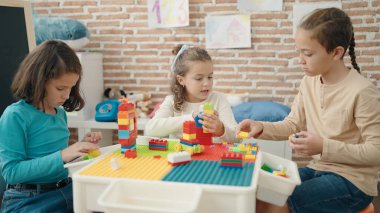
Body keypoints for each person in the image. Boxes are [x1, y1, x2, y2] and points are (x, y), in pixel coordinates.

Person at [236, 7, 380, 213]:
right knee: (260, 191)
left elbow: (376, 152)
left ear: (336, 52)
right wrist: (260, 127)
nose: (300, 60)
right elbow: (293, 124)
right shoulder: (309, 82)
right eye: (299, 51)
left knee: (278, 203)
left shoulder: (363, 92)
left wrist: (323, 146)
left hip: (353, 182)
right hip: (318, 169)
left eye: (308, 53)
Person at [0, 40, 102, 213]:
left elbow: (55, 158)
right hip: (29, 199)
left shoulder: (59, 113)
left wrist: (79, 149)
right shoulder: (15, 115)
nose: (67, 95)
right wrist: (62, 155)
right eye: (61, 88)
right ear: (39, 80)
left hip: (65, 189)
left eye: (71, 88)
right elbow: (11, 171)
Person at [145, 44, 239, 143]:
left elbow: (237, 137)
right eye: (199, 78)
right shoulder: (172, 101)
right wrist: (191, 118)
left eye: (210, 77)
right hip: (180, 156)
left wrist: (221, 130)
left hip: (211, 157)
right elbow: (150, 129)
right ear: (181, 80)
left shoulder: (219, 99)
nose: (207, 83)